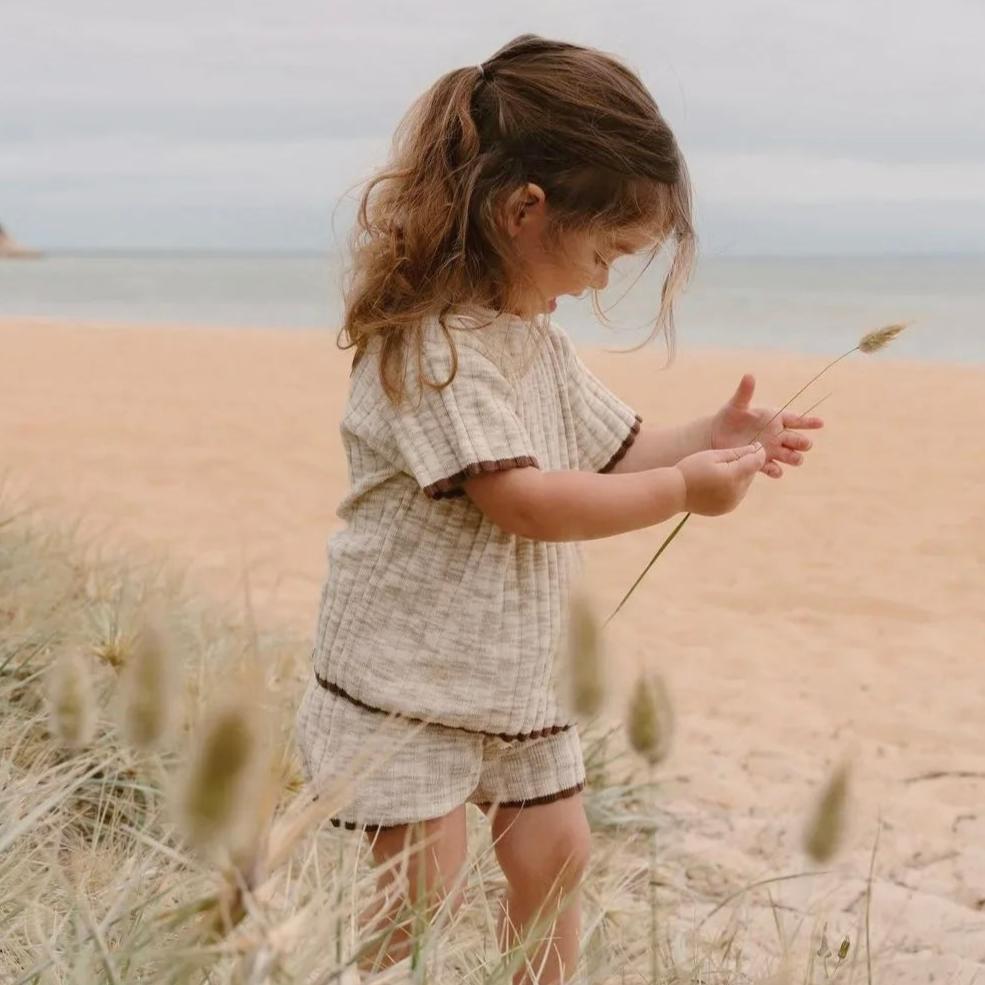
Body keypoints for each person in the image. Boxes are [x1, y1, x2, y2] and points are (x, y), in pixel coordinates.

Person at [294, 33, 822, 985]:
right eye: (605, 250)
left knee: (558, 854)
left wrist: (711, 435)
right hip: (407, 680)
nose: (601, 278)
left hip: (516, 676)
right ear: (523, 211)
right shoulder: (433, 349)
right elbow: (524, 502)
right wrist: (680, 497)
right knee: (420, 894)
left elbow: (617, 448)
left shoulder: (531, 341)